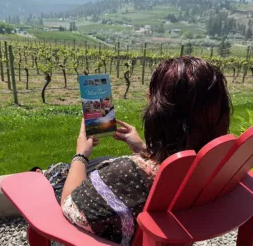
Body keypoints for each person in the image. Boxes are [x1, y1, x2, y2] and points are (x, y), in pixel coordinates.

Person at [43, 56, 231, 246]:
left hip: (93, 236)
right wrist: (143, 149)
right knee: (103, 160)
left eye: (151, 98)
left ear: (160, 113)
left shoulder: (127, 173)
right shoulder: (210, 170)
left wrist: (81, 154)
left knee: (58, 175)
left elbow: (70, 207)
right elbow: (171, 163)